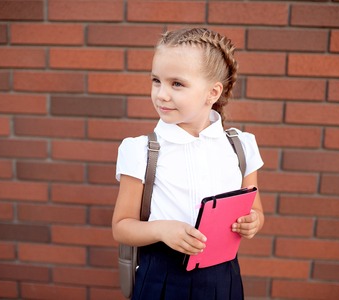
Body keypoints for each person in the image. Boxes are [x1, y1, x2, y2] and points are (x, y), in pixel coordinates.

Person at [112, 28, 264, 300]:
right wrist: (162, 229)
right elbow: (121, 226)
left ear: (212, 93)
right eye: (156, 81)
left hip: (223, 279)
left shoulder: (240, 145)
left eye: (177, 84)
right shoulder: (140, 150)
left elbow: (255, 211)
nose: (162, 94)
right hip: (162, 279)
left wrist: (252, 223)